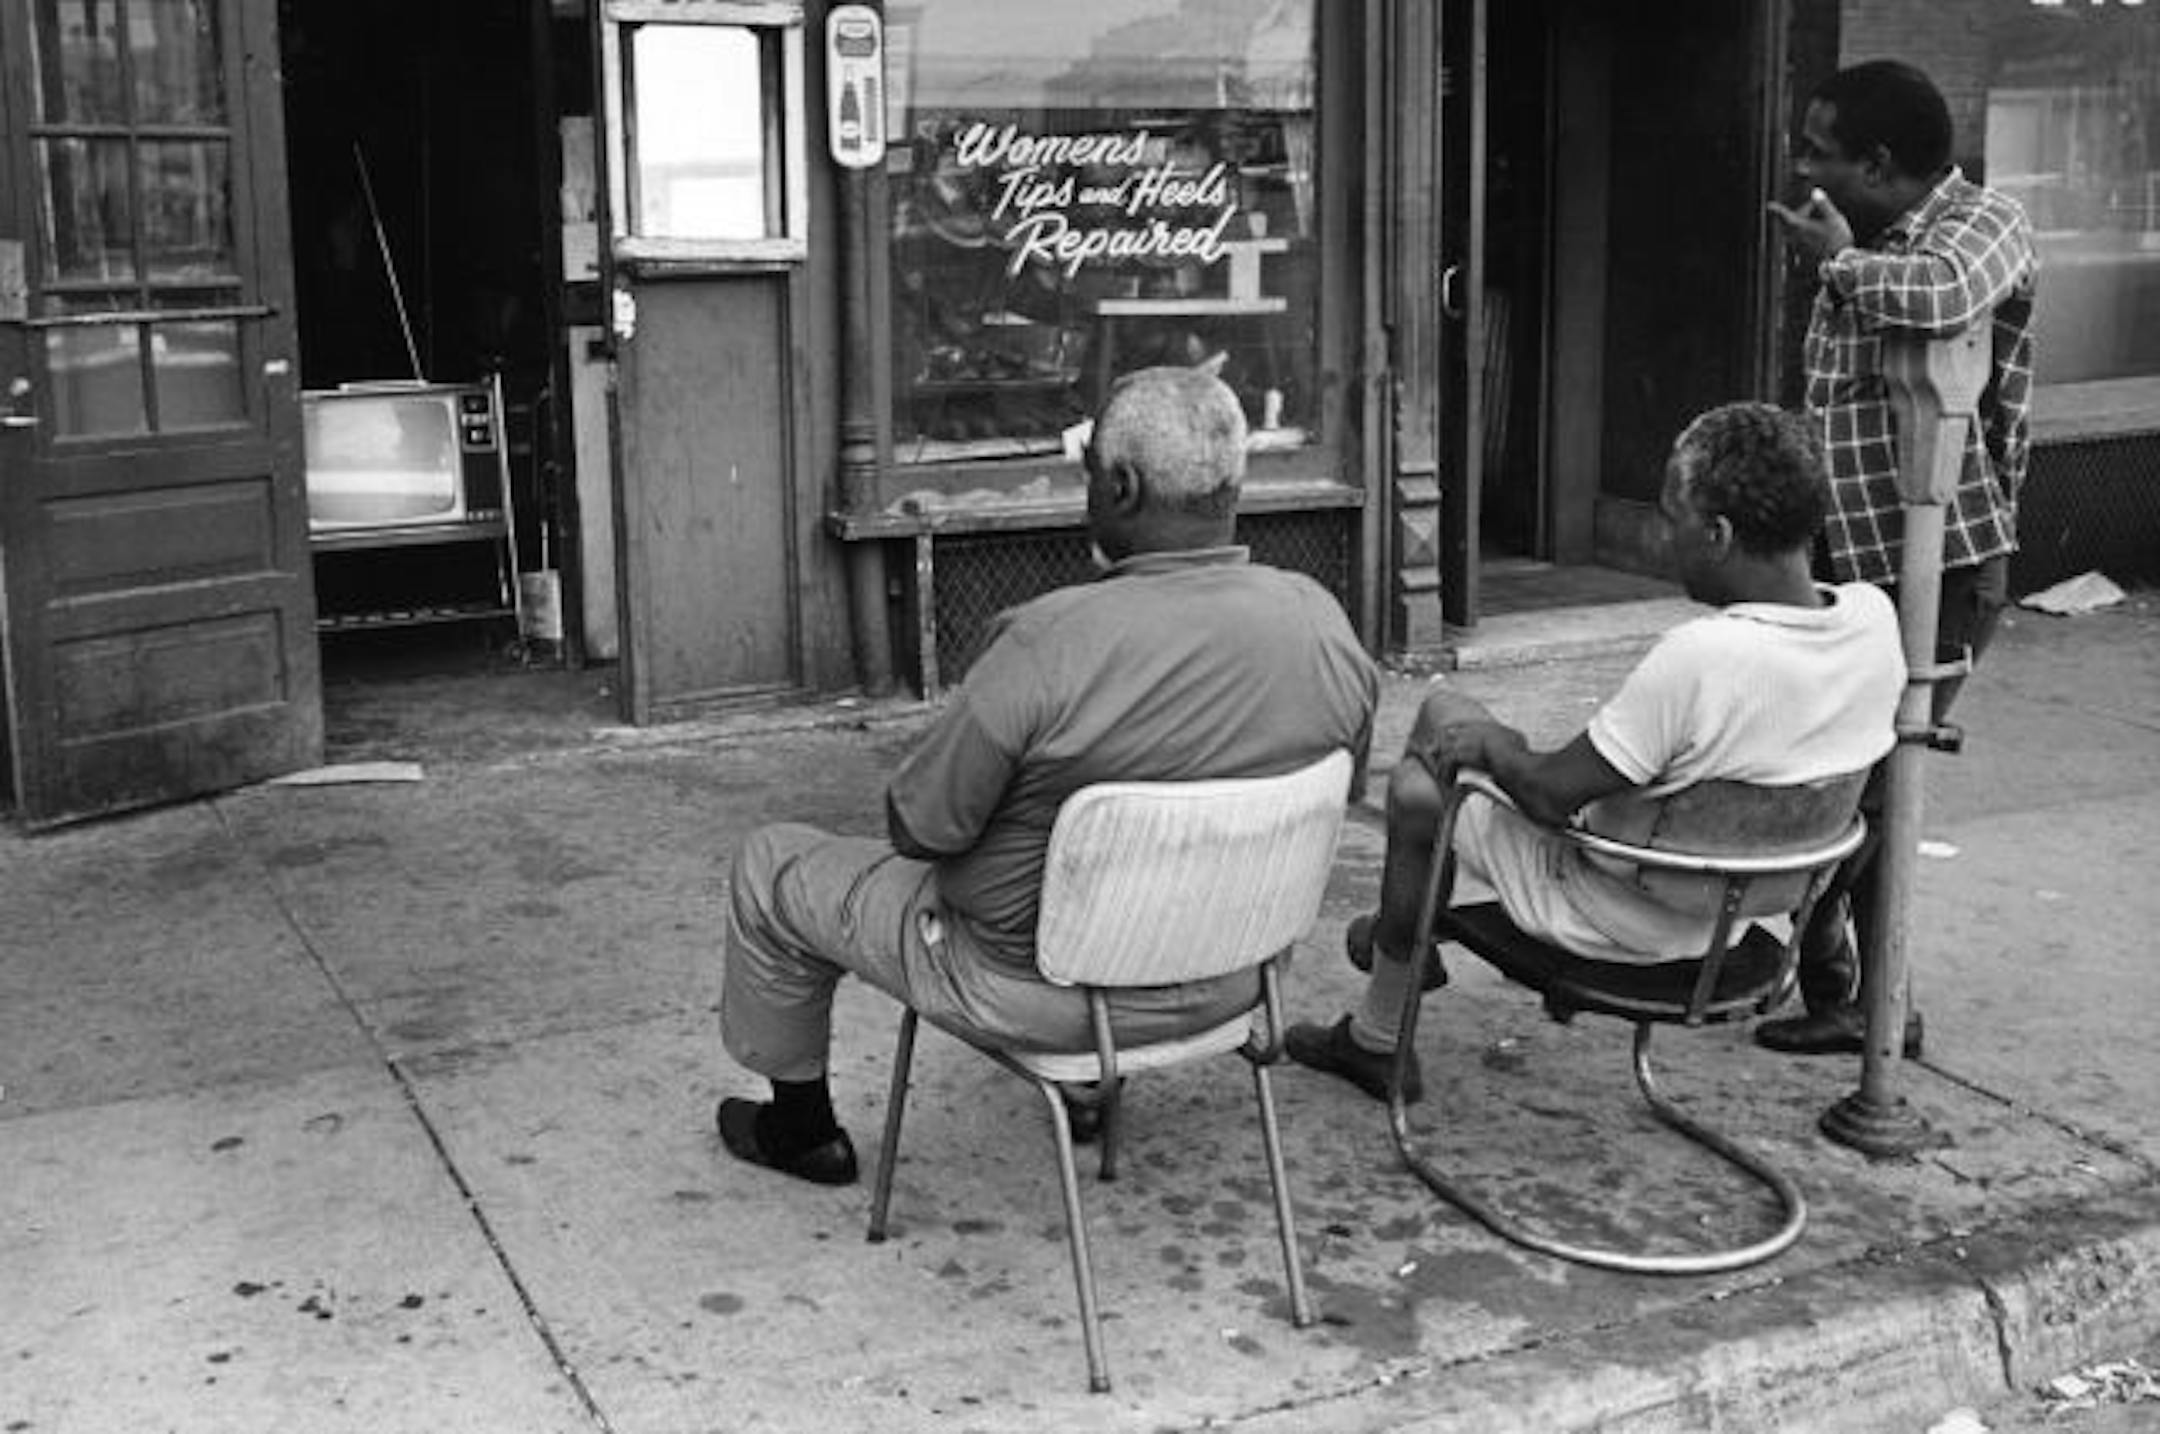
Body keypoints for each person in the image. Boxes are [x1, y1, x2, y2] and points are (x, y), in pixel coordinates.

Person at [717, 366, 1378, 1185]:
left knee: (771, 863)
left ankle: (801, 1132)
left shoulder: (1045, 643)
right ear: (1231, 487)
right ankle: (1092, 1088)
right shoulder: (1322, 624)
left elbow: (919, 829)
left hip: (1029, 992)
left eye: (1091, 469)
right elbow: (1329, 803)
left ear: (1122, 486)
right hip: (1238, 983)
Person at [1286, 403, 1904, 1104]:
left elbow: (1549, 796)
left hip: (1610, 913)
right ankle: (1405, 938)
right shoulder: (1873, 620)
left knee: (1419, 785)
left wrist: (1498, 746)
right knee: (1447, 719)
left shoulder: (1703, 658)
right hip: (1734, 919)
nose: (1665, 537)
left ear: (1719, 535)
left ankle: (1383, 1012)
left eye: (1673, 518)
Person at [1757, 59, 2038, 1056]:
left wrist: (1836, 264)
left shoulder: (1983, 223)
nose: (1802, 167)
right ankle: (1838, 986)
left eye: (1819, 151)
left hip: (1946, 560)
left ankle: (1875, 1008)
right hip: (1845, 557)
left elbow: (1948, 293)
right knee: (1825, 778)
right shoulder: (1864, 241)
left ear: (1877, 164)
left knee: (1878, 787)